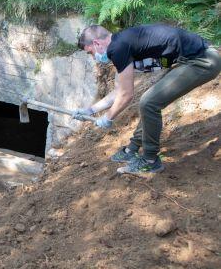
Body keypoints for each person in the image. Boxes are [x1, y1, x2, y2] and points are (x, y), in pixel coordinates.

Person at [75, 24, 221, 174]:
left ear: (96, 43)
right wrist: (90, 110)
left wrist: (108, 118)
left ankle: (150, 161)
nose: (94, 57)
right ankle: (133, 148)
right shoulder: (121, 44)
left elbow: (126, 95)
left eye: (91, 53)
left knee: (149, 102)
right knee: (149, 103)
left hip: (203, 61)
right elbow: (118, 90)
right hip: (190, 61)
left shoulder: (118, 48)